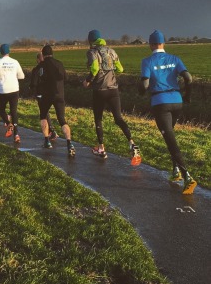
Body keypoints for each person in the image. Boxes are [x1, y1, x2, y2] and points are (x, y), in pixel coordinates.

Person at [139, 30, 197, 194]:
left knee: (170, 140)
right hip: (177, 101)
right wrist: (187, 95)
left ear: (151, 45)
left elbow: (144, 85)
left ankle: (187, 176)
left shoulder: (147, 61)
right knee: (170, 136)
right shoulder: (175, 59)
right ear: (164, 43)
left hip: (160, 103)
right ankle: (175, 172)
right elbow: (189, 78)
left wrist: (141, 93)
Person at [83, 29, 141, 164]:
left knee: (98, 119)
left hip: (99, 90)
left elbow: (95, 69)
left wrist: (87, 81)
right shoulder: (112, 51)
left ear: (91, 41)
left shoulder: (92, 52)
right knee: (118, 118)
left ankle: (101, 148)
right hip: (113, 89)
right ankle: (132, 143)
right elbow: (120, 69)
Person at [34, 46, 74, 155]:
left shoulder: (41, 66)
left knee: (43, 116)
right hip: (60, 95)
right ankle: (69, 143)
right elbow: (65, 78)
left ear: (43, 54)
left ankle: (47, 141)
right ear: (52, 53)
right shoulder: (59, 64)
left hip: (47, 95)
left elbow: (37, 80)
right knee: (62, 119)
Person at [0, 43, 25, 144]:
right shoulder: (15, 62)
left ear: (1, 52)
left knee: (0, 109)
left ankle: (8, 123)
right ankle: (16, 135)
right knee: (14, 111)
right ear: (9, 51)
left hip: (3, 90)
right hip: (15, 89)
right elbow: (22, 76)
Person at [29, 52, 58, 142]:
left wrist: (32, 90)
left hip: (40, 93)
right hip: (50, 92)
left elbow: (34, 83)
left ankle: (51, 131)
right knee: (47, 112)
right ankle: (51, 130)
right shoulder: (49, 68)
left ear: (38, 59)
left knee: (44, 112)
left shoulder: (36, 69)